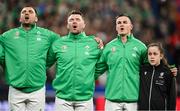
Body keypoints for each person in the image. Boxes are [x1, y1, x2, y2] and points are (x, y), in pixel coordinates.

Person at [0, 6, 59, 111]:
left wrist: (45, 63)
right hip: (16, 89)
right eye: (24, 12)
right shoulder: (8, 36)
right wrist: (9, 65)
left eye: (30, 11)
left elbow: (61, 43)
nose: (27, 13)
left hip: (37, 89)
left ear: (36, 18)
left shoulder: (47, 35)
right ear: (20, 18)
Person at [46, 10, 102, 111]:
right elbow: (46, 63)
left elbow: (104, 63)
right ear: (68, 25)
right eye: (71, 20)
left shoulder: (94, 44)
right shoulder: (58, 43)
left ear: (84, 24)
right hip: (62, 98)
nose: (74, 22)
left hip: (85, 98)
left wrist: (90, 76)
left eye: (77, 19)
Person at [138, 42, 176, 110]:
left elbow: (172, 97)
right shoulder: (142, 70)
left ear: (161, 56)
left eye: (155, 54)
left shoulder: (168, 72)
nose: (152, 56)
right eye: (150, 54)